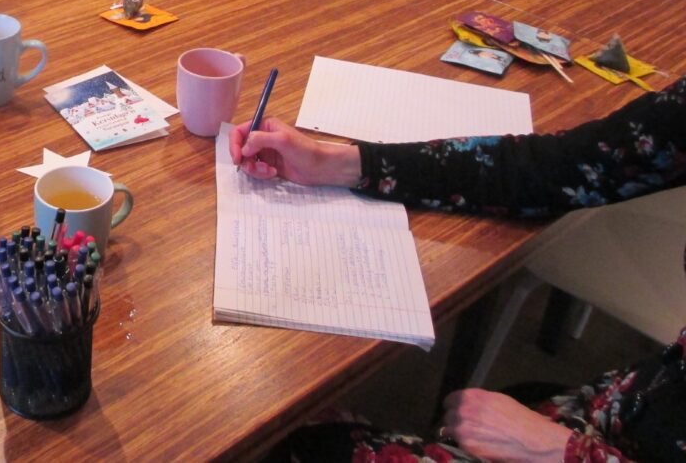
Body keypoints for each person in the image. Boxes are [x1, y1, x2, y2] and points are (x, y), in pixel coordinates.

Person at [229, 75, 686, 462]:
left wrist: (558, 451)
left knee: (271, 440)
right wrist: (344, 163)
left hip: (592, 444)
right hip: (631, 404)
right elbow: (560, 167)